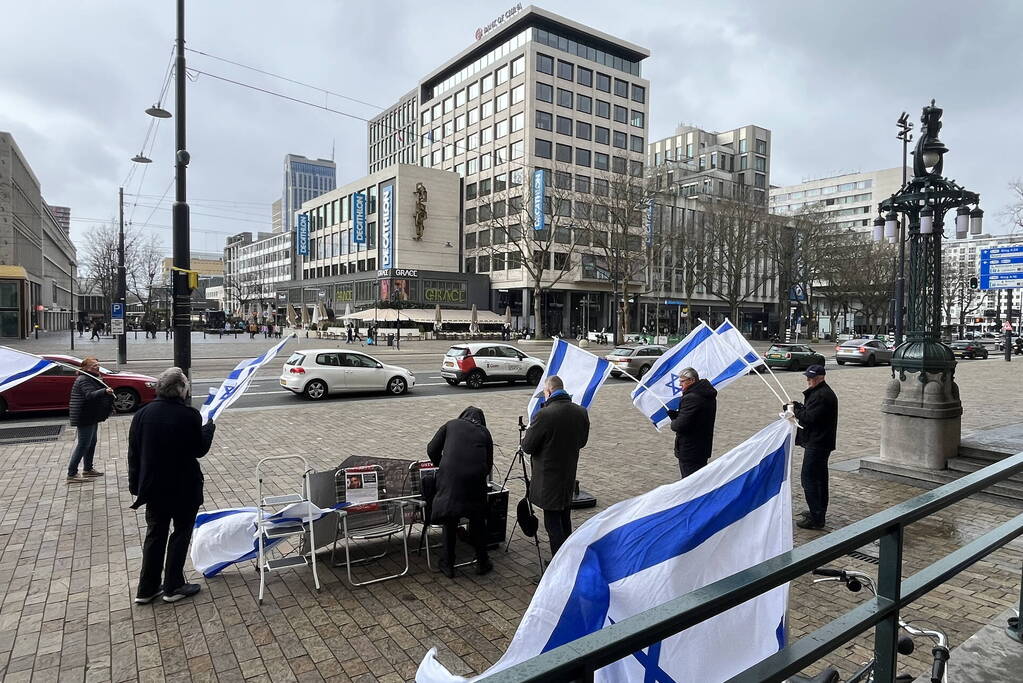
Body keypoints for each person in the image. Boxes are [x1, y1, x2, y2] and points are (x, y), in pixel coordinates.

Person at [128, 367, 216, 604]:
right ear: (180, 389)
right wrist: (208, 429)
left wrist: (135, 485)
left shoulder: (142, 414)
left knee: (155, 534)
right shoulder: (189, 416)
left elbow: (134, 454)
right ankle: (173, 585)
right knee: (180, 534)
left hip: (154, 487)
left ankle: (147, 588)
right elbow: (199, 449)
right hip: (183, 487)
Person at [521, 375, 590, 556]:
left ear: (549, 391)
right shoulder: (581, 411)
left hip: (548, 479)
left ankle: (559, 564)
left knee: (553, 523)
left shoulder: (544, 414)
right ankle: (568, 558)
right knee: (564, 518)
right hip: (567, 474)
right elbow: (582, 442)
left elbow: (527, 446)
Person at [426, 406, 494, 578]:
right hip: (475, 481)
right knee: (478, 521)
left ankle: (448, 564)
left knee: (450, 518)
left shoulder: (450, 425)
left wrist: (443, 465)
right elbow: (488, 464)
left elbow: (432, 449)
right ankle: (482, 562)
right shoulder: (485, 433)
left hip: (450, 480)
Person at [790, 364, 838, 530]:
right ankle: (817, 512)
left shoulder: (822, 396)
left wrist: (795, 410)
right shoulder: (819, 393)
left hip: (818, 443)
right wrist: (798, 406)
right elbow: (811, 413)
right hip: (820, 442)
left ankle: (816, 517)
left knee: (809, 479)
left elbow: (809, 418)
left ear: (821, 378)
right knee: (819, 479)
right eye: (808, 377)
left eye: (811, 378)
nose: (808, 380)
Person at [67, 357, 113, 483]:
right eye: (93, 366)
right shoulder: (84, 379)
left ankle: (88, 468)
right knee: (83, 444)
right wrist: (104, 391)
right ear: (86, 368)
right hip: (84, 415)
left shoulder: (92, 377)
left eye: (98, 365)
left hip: (91, 414)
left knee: (92, 442)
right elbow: (89, 395)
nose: (97, 367)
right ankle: (72, 474)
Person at [666, 367, 718, 478]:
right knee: (699, 479)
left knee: (690, 482)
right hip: (701, 447)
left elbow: (680, 425)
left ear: (692, 380)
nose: (680, 385)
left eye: (682, 381)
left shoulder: (692, 397)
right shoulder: (705, 393)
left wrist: (674, 422)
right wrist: (677, 416)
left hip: (690, 449)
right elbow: (695, 418)